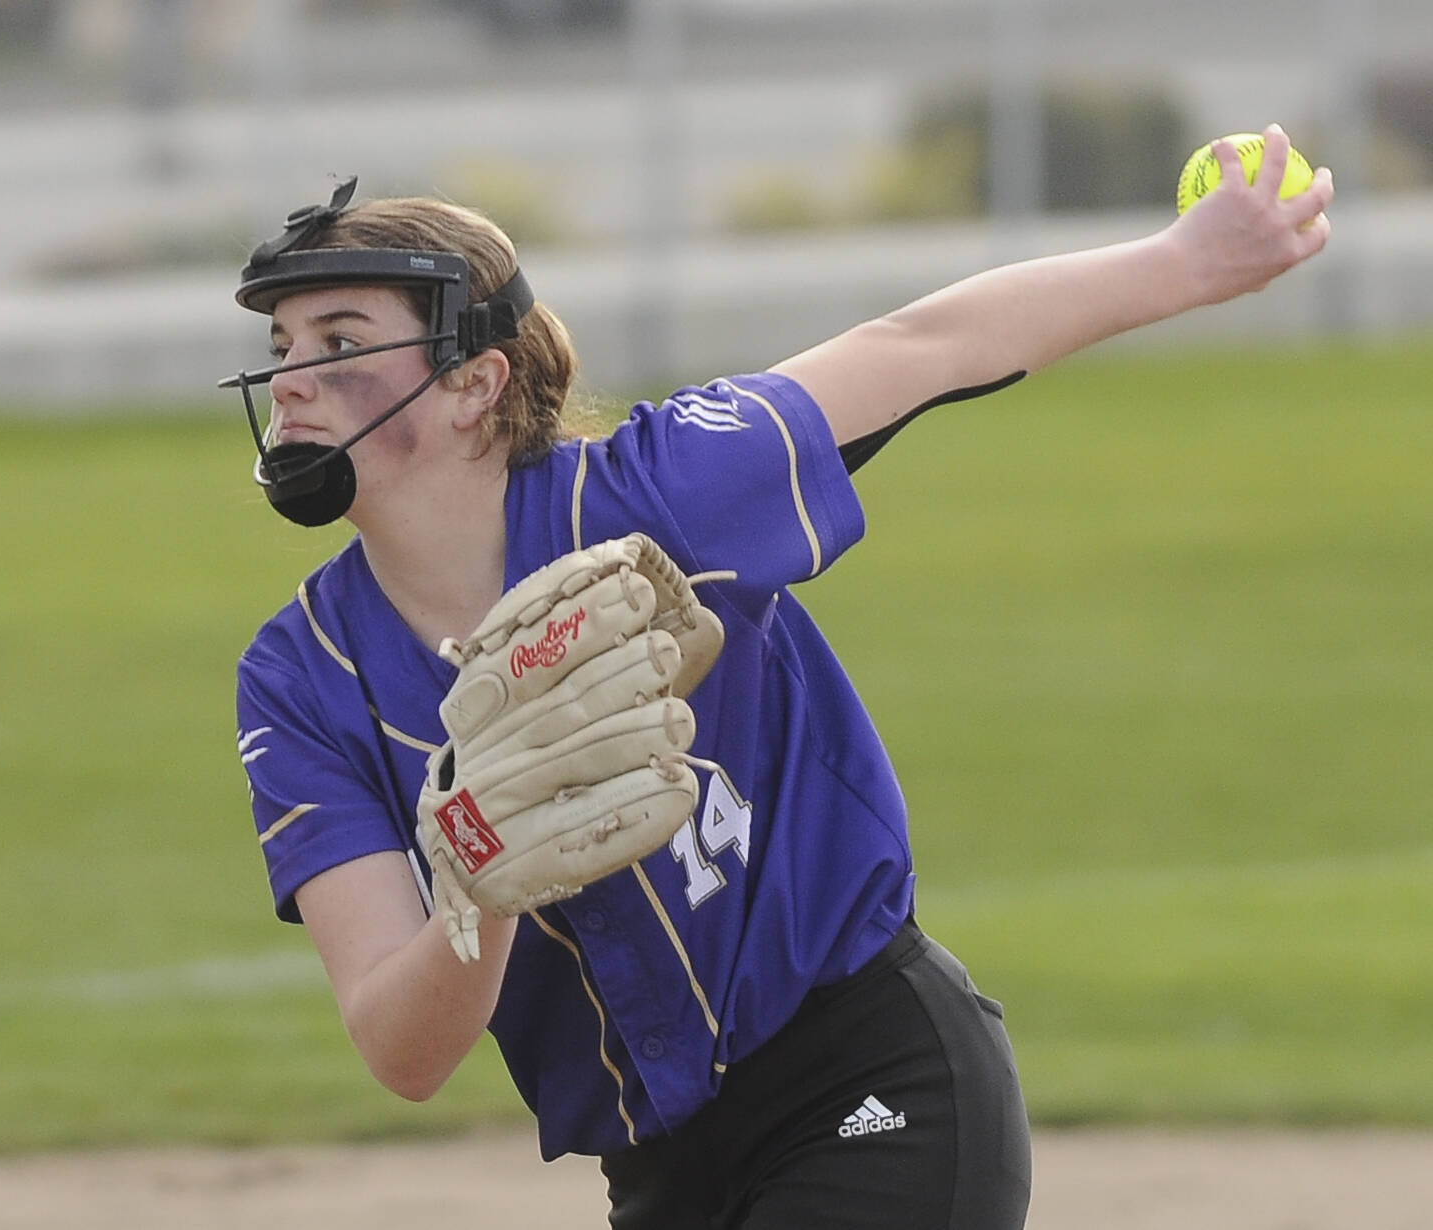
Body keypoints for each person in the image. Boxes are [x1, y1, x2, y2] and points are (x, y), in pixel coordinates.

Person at [228, 125, 1333, 1229]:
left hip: (869, 1083)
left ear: (473, 382)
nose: (291, 380)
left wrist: (1188, 261)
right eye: (283, 343)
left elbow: (923, 345)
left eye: (337, 337)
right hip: (661, 1174)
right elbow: (400, 1046)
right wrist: (477, 887)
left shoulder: (650, 501)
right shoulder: (297, 677)